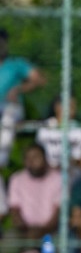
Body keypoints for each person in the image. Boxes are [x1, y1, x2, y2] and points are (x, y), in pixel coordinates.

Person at [6, 142, 60, 253]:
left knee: (59, 245)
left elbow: (59, 211)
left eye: (36, 157)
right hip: (23, 229)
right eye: (28, 158)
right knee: (8, 245)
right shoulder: (17, 179)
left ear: (45, 159)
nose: (32, 161)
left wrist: (40, 231)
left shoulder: (58, 178)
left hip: (51, 229)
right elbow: (14, 210)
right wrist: (27, 232)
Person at [0, 28, 45, 158]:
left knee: (7, 122)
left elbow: (39, 79)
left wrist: (19, 89)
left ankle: (1, 162)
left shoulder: (16, 63)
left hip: (11, 107)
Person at [36, 96, 81, 171]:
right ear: (57, 107)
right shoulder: (45, 128)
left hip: (71, 171)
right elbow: (38, 153)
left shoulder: (78, 129)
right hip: (46, 171)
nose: (73, 108)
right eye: (70, 105)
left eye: (74, 106)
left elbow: (78, 157)